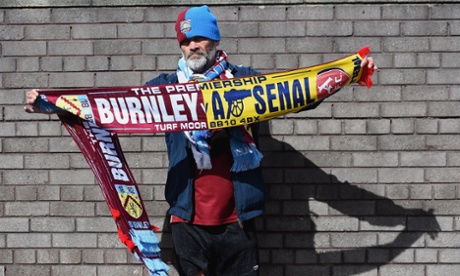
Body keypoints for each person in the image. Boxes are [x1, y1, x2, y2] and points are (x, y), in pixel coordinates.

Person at [24, 5, 377, 276]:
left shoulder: (245, 82)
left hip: (238, 220)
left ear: (215, 40)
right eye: (186, 40)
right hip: (187, 222)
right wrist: (49, 104)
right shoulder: (163, 89)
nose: (193, 45)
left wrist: (349, 72)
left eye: (200, 38)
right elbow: (107, 109)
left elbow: (295, 93)